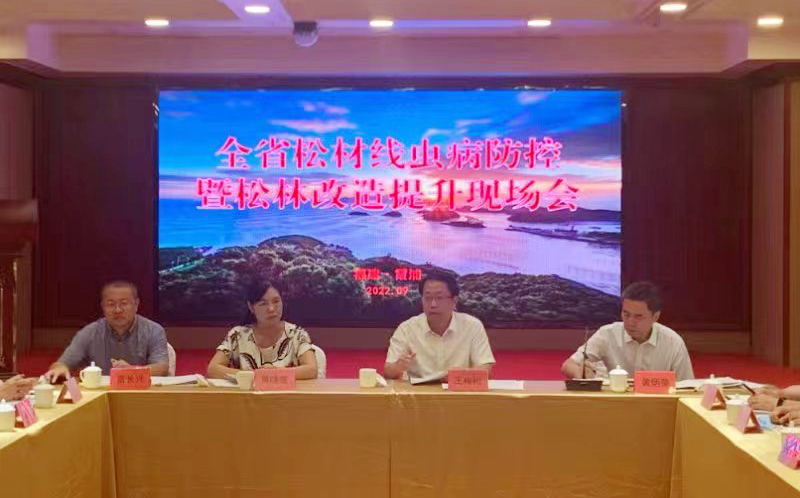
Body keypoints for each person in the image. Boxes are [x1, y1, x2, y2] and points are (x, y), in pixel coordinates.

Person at [561, 281, 694, 381]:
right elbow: (569, 365)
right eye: (626, 314)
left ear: (655, 317)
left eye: (638, 316)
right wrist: (582, 374)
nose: (630, 322)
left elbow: (686, 385)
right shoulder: (607, 334)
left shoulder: (673, 342)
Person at [43, 281, 169, 381]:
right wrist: (59, 368)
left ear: (136, 304)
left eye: (124, 303)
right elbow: (62, 364)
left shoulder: (153, 330)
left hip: (140, 394)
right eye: (111, 304)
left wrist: (132, 370)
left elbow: (161, 368)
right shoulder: (89, 332)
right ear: (103, 306)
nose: (117, 310)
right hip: (100, 395)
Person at [384, 272, 495, 382]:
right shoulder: (406, 328)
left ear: (454, 301)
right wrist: (397, 367)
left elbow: (486, 370)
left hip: (458, 391)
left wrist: (455, 377)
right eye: (428, 298)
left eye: (439, 298)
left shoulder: (472, 326)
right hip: (418, 392)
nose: (433, 304)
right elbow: (388, 372)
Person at [207, 280, 317, 379]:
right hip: (248, 395)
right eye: (263, 304)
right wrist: (255, 376)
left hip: (286, 395)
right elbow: (213, 369)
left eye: (276, 301)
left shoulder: (297, 334)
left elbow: (311, 370)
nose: (271, 309)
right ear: (251, 307)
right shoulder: (237, 335)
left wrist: (274, 374)